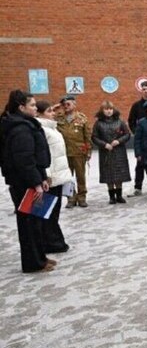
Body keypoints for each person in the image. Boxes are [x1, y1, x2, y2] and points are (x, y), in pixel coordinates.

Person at [0, 90, 54, 272]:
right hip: (24, 183)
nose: (35, 107)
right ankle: (34, 263)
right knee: (29, 224)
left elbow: (34, 158)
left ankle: (40, 257)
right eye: (32, 105)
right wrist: (36, 183)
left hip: (31, 179)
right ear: (21, 107)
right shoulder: (20, 129)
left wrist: (42, 177)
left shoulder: (26, 124)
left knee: (36, 221)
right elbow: (25, 161)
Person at [35, 100, 72, 253]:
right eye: (49, 111)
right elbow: (43, 154)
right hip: (50, 177)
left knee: (53, 211)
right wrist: (47, 175)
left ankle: (53, 241)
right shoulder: (41, 129)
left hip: (58, 175)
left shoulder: (51, 128)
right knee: (46, 212)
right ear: (39, 113)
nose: (54, 113)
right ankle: (50, 243)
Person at [91, 101, 131, 204]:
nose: (109, 111)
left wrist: (119, 141)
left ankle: (119, 195)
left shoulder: (120, 121)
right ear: (102, 110)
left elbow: (127, 134)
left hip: (119, 151)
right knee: (108, 175)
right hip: (106, 153)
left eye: (110, 109)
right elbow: (94, 137)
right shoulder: (98, 123)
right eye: (106, 109)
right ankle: (111, 197)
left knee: (119, 174)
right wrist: (104, 144)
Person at [56, 95, 91, 207]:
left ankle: (82, 197)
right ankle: (71, 198)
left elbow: (87, 136)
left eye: (68, 104)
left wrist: (89, 151)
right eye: (64, 105)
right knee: (67, 178)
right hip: (64, 153)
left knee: (80, 176)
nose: (66, 106)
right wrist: (55, 108)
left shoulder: (82, 118)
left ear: (74, 105)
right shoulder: (58, 119)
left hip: (79, 152)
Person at [127, 80, 147, 196]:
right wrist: (136, 132)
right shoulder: (136, 106)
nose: (146, 91)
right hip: (142, 140)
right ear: (141, 90)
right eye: (144, 89)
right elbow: (131, 121)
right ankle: (138, 187)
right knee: (140, 164)